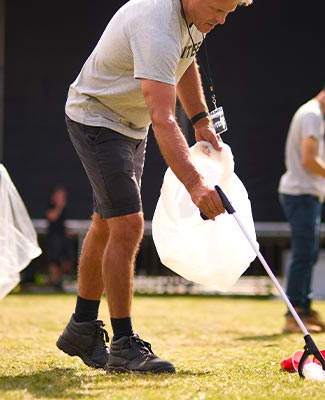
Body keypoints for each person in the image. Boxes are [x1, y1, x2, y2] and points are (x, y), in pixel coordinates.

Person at [56, 0, 253, 374]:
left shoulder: (193, 18)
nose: (222, 20)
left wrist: (199, 119)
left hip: (130, 124)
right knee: (128, 225)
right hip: (98, 118)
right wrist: (195, 186)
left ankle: (81, 328)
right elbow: (163, 119)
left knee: (107, 222)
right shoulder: (156, 25)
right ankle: (124, 346)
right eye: (217, 9)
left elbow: (184, 62)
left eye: (229, 12)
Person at [278, 71, 325, 334]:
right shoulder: (311, 114)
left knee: (308, 253)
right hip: (300, 194)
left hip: (308, 193)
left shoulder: (315, 115)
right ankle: (294, 315)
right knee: (303, 253)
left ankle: (305, 311)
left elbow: (314, 161)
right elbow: (308, 160)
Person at [45, 184, 75, 291]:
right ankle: (55, 282)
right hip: (54, 238)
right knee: (54, 260)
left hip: (63, 237)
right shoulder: (51, 206)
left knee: (68, 259)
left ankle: (60, 280)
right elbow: (52, 217)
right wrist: (59, 206)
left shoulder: (65, 209)